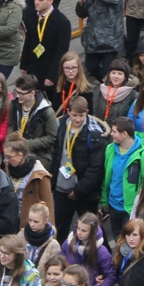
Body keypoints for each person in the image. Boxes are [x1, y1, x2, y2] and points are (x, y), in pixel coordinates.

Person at [51, 96, 106, 237]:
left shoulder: (94, 135)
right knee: (60, 227)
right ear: (68, 111)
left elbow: (96, 168)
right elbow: (57, 154)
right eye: (74, 115)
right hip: (61, 188)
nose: (77, 119)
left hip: (84, 193)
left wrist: (79, 190)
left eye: (81, 115)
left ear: (87, 112)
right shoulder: (62, 124)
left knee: (90, 230)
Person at [101, 117, 144, 238]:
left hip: (132, 210)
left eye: (114, 131)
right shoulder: (110, 149)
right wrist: (104, 199)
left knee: (130, 243)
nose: (111, 134)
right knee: (118, 240)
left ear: (124, 134)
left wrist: (142, 206)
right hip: (113, 205)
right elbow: (107, 177)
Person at [76, 0, 124, 81]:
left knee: (108, 71)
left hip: (110, 40)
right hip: (94, 39)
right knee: (90, 67)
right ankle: (103, 83)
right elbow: (83, 13)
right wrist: (81, 4)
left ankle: (109, 90)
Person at [19, 0, 72, 90]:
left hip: (49, 69)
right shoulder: (32, 16)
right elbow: (28, 41)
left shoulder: (62, 22)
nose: (36, 2)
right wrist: (23, 64)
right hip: (33, 67)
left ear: (50, 0)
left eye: (40, 0)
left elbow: (61, 52)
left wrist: (52, 76)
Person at [3, 133, 54, 231]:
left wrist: (49, 230)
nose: (7, 161)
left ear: (20, 155)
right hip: (10, 221)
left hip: (28, 224)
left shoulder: (39, 175)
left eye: (9, 157)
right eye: (5, 156)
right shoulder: (9, 168)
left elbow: (49, 207)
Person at [9, 74, 59, 172]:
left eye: (21, 93)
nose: (18, 96)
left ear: (32, 93)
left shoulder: (46, 111)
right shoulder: (14, 105)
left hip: (38, 158)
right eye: (16, 92)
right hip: (16, 153)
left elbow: (52, 137)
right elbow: (10, 125)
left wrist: (28, 144)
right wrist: (12, 139)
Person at [49, 52, 94, 116]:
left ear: (79, 68)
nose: (70, 71)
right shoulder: (59, 84)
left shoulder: (85, 88)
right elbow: (55, 107)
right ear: (62, 69)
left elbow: (89, 112)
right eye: (67, 68)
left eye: (73, 67)